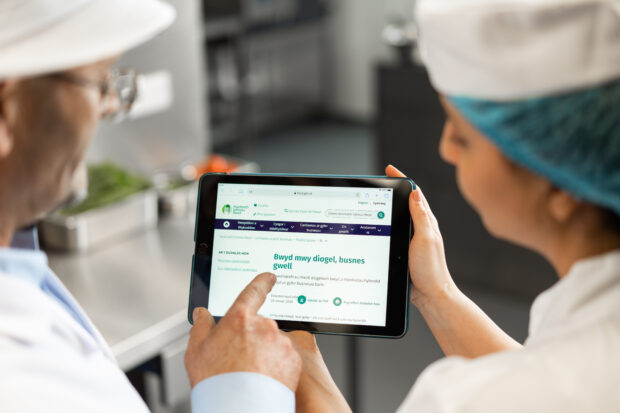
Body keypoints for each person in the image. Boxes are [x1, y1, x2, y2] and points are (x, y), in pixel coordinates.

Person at [187, 0, 620, 411]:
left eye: (463, 136)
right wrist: (437, 293)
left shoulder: (461, 401)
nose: (446, 149)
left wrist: (241, 389)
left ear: (562, 188)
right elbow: (538, 386)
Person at [0, 1, 303, 412]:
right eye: (97, 82)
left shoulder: (18, 259)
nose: (109, 105)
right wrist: (242, 392)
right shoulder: (21, 378)